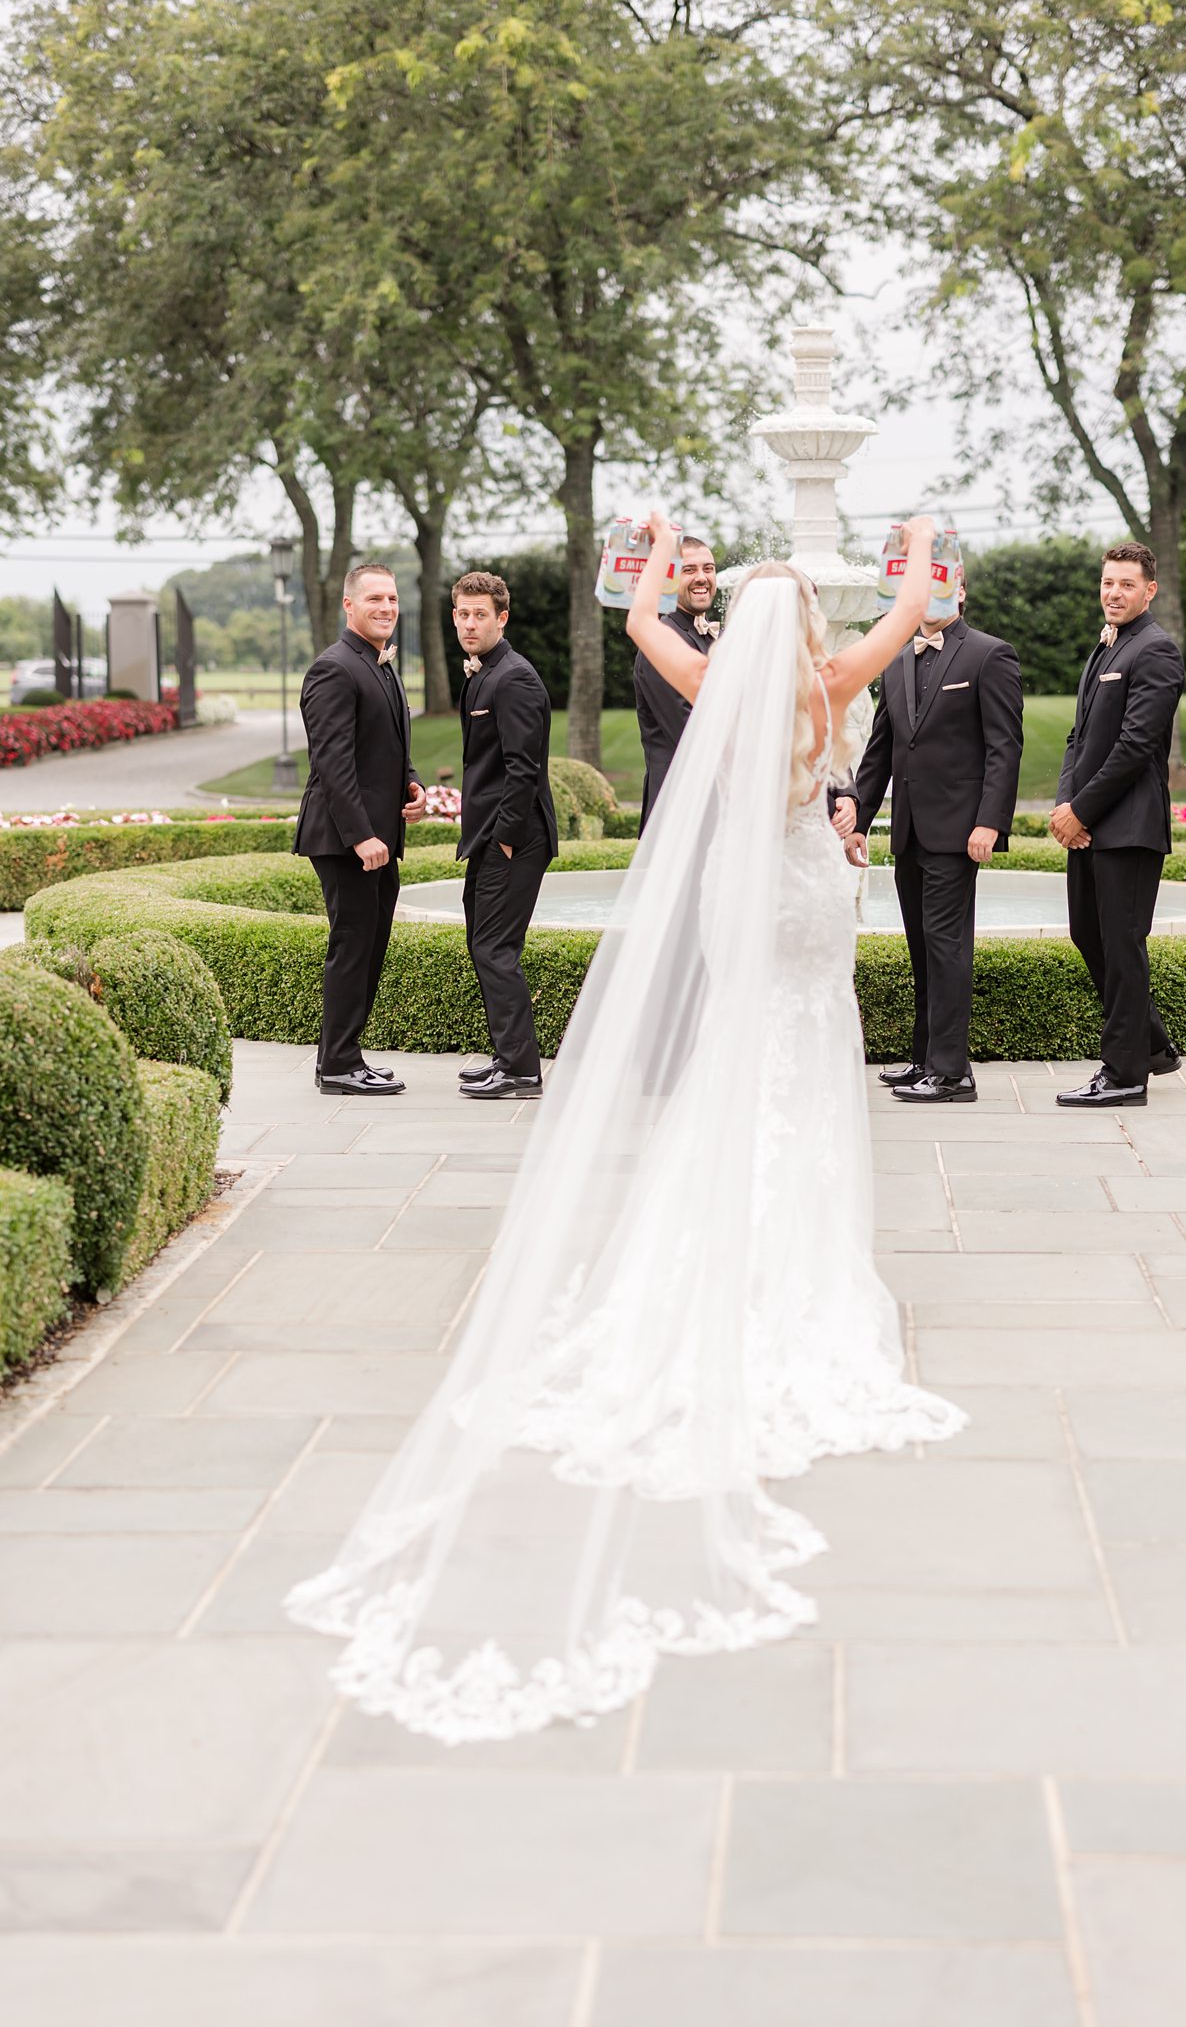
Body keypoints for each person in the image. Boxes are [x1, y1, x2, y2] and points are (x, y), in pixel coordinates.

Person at [286, 513, 963, 1741]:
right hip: (808, 894)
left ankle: (709, 1244)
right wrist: (916, 542)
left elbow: (640, 618)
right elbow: (914, 609)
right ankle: (798, 1258)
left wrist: (650, 549)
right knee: (806, 1058)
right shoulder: (827, 684)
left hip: (731, 893)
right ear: (806, 626)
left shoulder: (709, 682)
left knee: (731, 1060)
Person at [837, 572, 1022, 1104]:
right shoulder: (896, 660)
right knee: (923, 948)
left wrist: (990, 820)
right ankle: (924, 1058)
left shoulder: (991, 655)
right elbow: (880, 753)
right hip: (910, 833)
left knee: (947, 948)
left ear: (961, 591)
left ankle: (953, 1073)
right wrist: (860, 818)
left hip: (959, 832)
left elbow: (1004, 747)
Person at [1049, 542, 1186, 1108]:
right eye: (1108, 583)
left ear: (1149, 590)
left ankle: (1126, 1073)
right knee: (1089, 933)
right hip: (1089, 824)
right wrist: (1064, 805)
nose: (1114, 593)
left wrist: (1082, 810)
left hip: (1128, 827)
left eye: (1126, 584)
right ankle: (1151, 1044)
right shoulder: (1105, 647)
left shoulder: (1155, 651)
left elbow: (1134, 747)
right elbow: (1079, 739)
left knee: (1122, 944)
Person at [294, 561, 425, 1095]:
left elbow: (383, 744)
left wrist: (411, 785)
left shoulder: (379, 665)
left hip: (379, 835)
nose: (387, 608)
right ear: (349, 605)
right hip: (348, 839)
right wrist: (361, 836)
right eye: (375, 599)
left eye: (392, 599)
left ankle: (339, 1057)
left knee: (370, 946)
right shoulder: (334, 668)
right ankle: (341, 1066)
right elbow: (333, 762)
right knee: (352, 946)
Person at [450, 571, 558, 1102]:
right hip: (491, 835)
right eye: (463, 615)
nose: (470, 624)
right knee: (487, 943)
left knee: (494, 947)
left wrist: (508, 840)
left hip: (514, 836)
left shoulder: (513, 678)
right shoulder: (482, 673)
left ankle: (521, 1071)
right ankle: (507, 1057)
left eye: (480, 615)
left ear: (502, 618)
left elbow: (522, 768)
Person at [632, 533, 719, 832]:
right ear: (669, 578)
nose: (702, 578)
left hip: (711, 809)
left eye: (708, 569)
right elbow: (689, 733)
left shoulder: (713, 639)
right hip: (678, 815)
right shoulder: (661, 642)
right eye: (689, 570)